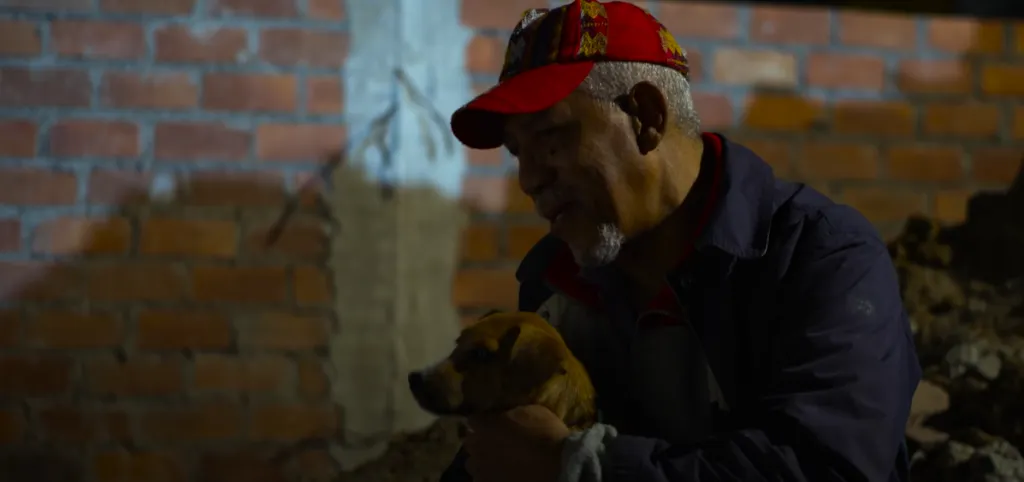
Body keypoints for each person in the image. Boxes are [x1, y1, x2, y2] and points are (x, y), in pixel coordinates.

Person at [443, 1, 922, 481]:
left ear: (646, 115)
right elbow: (508, 454)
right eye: (517, 153)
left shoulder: (820, 260)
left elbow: (832, 468)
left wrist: (578, 467)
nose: (529, 178)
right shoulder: (557, 284)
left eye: (551, 138)